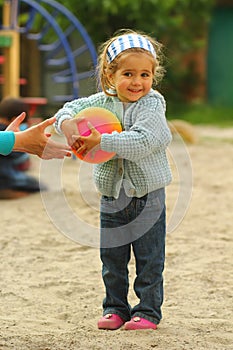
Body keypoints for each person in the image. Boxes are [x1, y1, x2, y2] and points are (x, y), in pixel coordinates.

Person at [54, 29, 172, 331]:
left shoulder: (152, 104)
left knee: (149, 258)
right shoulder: (101, 102)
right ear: (110, 75)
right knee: (113, 258)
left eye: (145, 74)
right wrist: (68, 125)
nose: (137, 82)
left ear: (153, 76)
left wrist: (102, 142)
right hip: (112, 195)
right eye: (128, 73)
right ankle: (115, 308)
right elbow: (67, 110)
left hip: (148, 196)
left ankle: (147, 311)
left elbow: (146, 141)